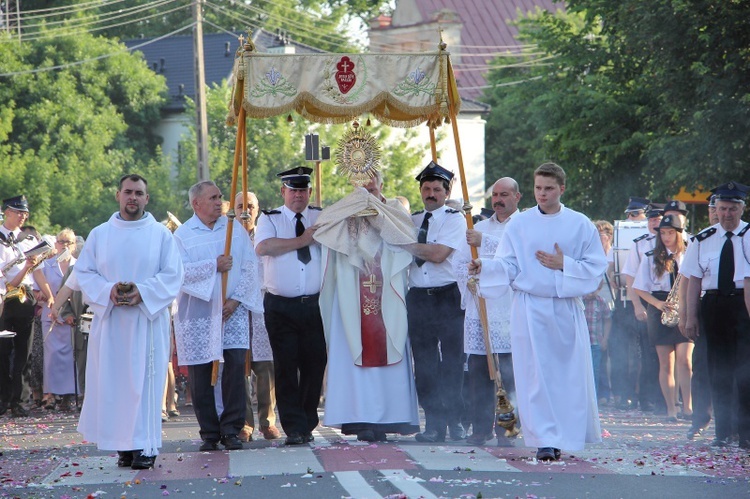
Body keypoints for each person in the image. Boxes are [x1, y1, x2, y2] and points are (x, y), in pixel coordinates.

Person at [469, 162, 607, 461]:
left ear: (562, 189)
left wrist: (564, 264)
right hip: (529, 308)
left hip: (564, 308)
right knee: (535, 376)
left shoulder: (580, 224)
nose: (542, 194)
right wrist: (486, 266)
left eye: (549, 188)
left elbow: (597, 268)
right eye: (538, 188)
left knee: (564, 375)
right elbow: (508, 264)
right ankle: (544, 438)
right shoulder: (520, 224)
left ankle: (564, 434)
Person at [74, 174, 183, 470]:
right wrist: (109, 291)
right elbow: (84, 274)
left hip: (146, 323)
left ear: (147, 199)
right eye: (128, 192)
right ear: (118, 195)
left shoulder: (161, 235)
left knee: (144, 384)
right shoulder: (99, 234)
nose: (132, 197)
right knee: (114, 384)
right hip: (111, 323)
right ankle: (123, 444)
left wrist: (143, 293)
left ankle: (145, 445)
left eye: (138, 193)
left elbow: (173, 275)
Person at [315, 182, 420, 441]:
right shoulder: (344, 210)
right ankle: (359, 418)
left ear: (381, 184)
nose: (367, 188)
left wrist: (376, 212)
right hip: (351, 294)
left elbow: (405, 237)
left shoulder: (394, 209)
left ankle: (390, 418)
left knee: (389, 350)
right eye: (362, 186)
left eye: (372, 186)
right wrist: (357, 203)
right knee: (354, 355)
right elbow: (322, 223)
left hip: (388, 296)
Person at [173, 181, 262, 452]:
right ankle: (209, 432)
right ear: (196, 203)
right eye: (213, 198)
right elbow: (179, 273)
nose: (219, 202)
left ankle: (232, 428)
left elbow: (251, 267)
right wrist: (214, 266)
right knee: (201, 372)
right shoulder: (183, 235)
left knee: (235, 368)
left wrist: (234, 301)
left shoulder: (234, 230)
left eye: (220, 197)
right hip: (200, 313)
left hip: (232, 311)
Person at [255, 167, 327, 446]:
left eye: (303, 190)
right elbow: (264, 247)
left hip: (314, 304)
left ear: (310, 192)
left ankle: (307, 421)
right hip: (280, 305)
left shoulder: (321, 216)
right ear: (283, 192)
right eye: (293, 190)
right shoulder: (270, 218)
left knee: (314, 364)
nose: (298, 195)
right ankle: (294, 427)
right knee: (286, 366)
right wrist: (302, 240)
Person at [453, 177, 521, 446]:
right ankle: (480, 428)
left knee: (509, 375)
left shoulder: (523, 226)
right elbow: (459, 264)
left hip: (508, 309)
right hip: (480, 310)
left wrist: (486, 241)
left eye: (504, 194)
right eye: (495, 195)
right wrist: (467, 281)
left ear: (518, 197)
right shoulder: (476, 228)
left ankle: (508, 429)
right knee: (480, 373)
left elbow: (517, 256)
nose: (498, 200)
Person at [683, 182, 750, 449]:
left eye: (732, 209)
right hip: (713, 306)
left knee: (744, 372)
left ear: (742, 208)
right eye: (722, 208)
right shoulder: (703, 239)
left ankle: (745, 434)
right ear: (716, 209)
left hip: (743, 305)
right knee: (718, 372)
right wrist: (690, 317)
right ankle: (722, 433)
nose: (726, 214)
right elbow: (693, 281)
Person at [404, 161, 467, 443]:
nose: (431, 194)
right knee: (425, 364)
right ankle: (433, 423)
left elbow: (439, 253)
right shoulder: (412, 220)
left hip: (448, 296)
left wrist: (405, 245)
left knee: (452, 362)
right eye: (427, 188)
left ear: (446, 191)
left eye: (437, 189)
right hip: (419, 298)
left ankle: (455, 420)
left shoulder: (455, 219)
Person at [632, 215, 693, 422]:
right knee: (666, 362)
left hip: (683, 304)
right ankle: (671, 410)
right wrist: (656, 305)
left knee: (685, 361)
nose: (666, 237)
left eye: (670, 232)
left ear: (679, 233)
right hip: (660, 305)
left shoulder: (689, 253)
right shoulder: (651, 256)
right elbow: (639, 287)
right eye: (663, 233)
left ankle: (688, 407)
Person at [234, 191, 281, 441]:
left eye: (250, 206)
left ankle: (267, 421)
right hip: (237, 307)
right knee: (240, 365)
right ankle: (244, 423)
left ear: (258, 208)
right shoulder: (229, 235)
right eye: (240, 205)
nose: (246, 210)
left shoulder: (266, 231)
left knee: (265, 367)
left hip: (261, 304)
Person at [0, 195, 42, 418]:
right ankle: (3, 398)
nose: (22, 216)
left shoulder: (28, 240)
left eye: (25, 213)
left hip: (26, 298)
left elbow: (38, 271)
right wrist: (26, 267)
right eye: (18, 212)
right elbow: (5, 280)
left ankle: (21, 402)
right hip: (5, 300)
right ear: (6, 212)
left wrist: (49, 294)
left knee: (24, 353)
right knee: (3, 351)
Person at [38, 229, 78, 412]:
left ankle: (69, 395)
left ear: (74, 246)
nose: (65, 245)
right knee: (52, 357)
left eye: (69, 242)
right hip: (50, 315)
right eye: (61, 241)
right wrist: (44, 297)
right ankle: (50, 394)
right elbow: (36, 290)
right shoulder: (46, 265)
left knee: (71, 357)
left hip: (71, 316)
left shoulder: (79, 266)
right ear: (56, 244)